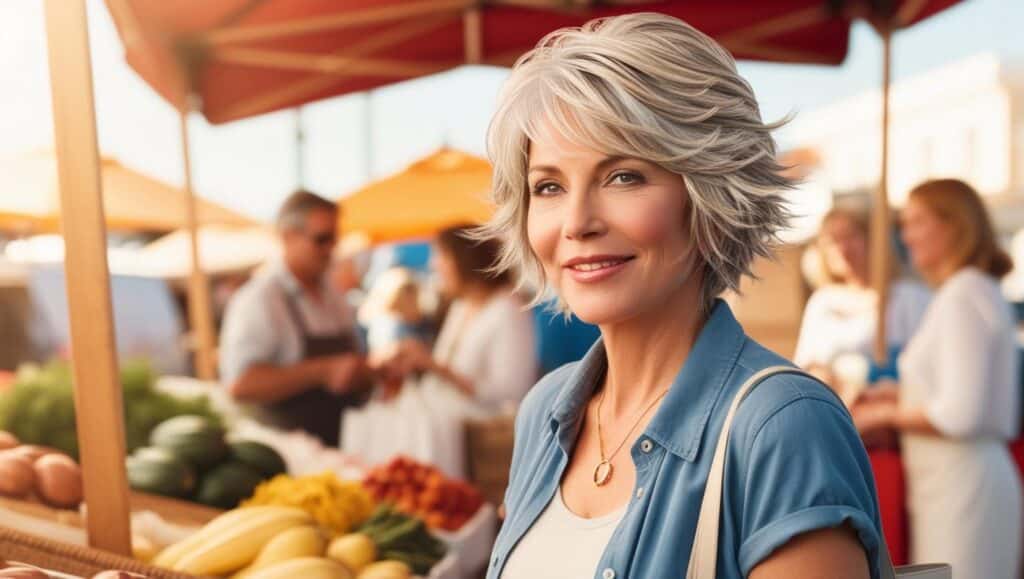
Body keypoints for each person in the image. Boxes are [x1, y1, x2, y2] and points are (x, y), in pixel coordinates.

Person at [483, 14, 883, 579]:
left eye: (623, 176)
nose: (576, 222)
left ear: (710, 194)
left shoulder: (782, 427)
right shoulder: (544, 414)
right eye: (548, 186)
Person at [854, 179, 1022, 578]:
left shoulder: (963, 295)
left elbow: (961, 414)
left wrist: (882, 417)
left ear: (953, 225)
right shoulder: (970, 291)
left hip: (963, 487)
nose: (905, 234)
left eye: (916, 221)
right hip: (960, 483)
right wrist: (896, 393)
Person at [342, 225, 537, 478]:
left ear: (465, 260)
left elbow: (510, 392)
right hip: (442, 436)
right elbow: (446, 369)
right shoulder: (461, 306)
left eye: (441, 257)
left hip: (476, 445)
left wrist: (432, 365)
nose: (435, 266)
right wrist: (413, 362)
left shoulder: (507, 310)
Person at [219, 191, 372, 447]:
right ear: (288, 237)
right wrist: (322, 371)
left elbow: (352, 359)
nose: (330, 249)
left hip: (342, 448)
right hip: (290, 458)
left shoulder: (332, 293)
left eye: (334, 239)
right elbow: (240, 385)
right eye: (322, 239)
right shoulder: (260, 299)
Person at [794, 206, 931, 402]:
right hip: (837, 407)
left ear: (873, 240)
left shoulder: (908, 297)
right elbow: (804, 365)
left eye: (851, 237)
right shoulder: (822, 302)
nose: (843, 248)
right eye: (833, 241)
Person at [358, 267, 429, 356]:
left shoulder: (417, 324)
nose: (407, 299)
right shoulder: (389, 326)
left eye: (410, 291)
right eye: (405, 292)